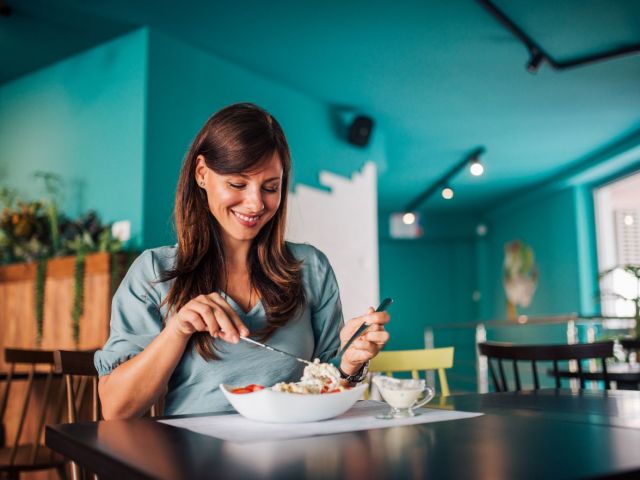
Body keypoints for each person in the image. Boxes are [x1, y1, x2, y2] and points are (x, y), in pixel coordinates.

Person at [95, 103, 390, 418]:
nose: (255, 203)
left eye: (270, 188)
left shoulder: (311, 267)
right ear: (202, 174)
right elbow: (117, 408)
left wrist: (349, 364)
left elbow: (330, 388)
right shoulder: (154, 272)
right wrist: (177, 329)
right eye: (237, 184)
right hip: (193, 459)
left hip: (297, 453)